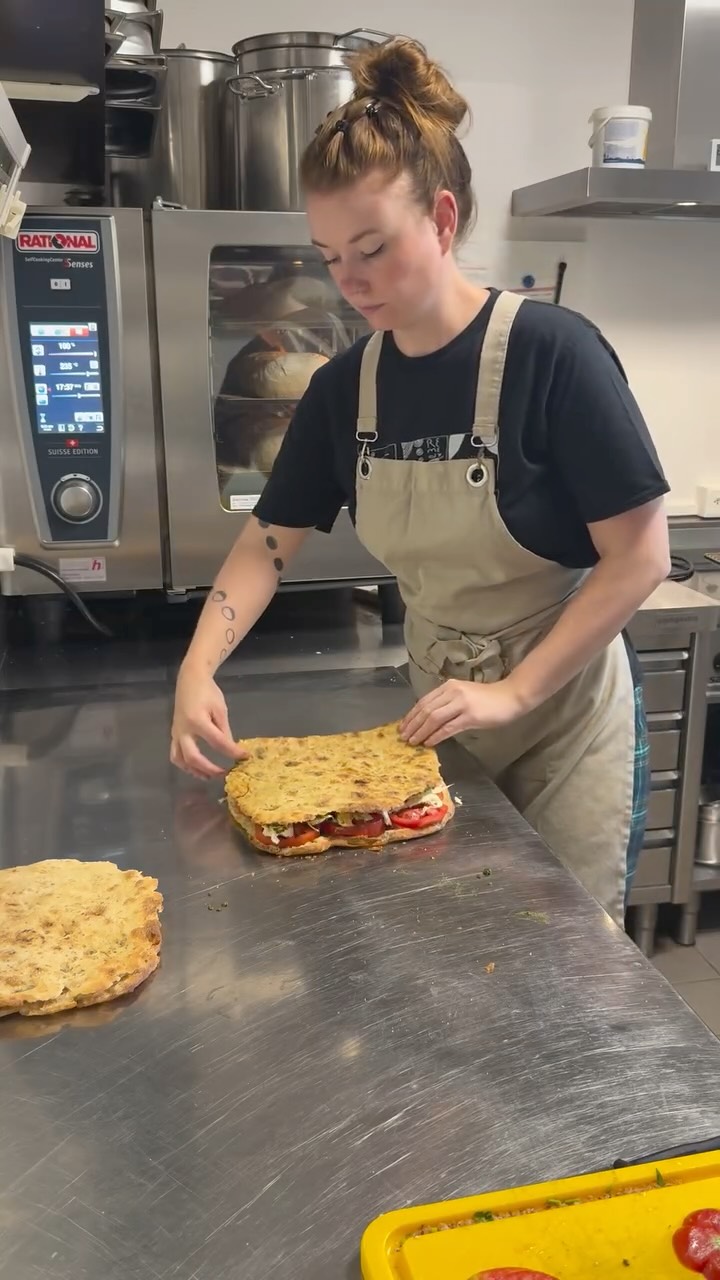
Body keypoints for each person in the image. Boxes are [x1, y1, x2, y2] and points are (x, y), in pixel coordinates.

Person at [171, 37, 671, 926]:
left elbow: (639, 557)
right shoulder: (343, 389)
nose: (350, 282)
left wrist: (514, 692)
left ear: (441, 221)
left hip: (562, 716)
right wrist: (197, 666)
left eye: (372, 247)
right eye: (330, 256)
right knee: (455, 939)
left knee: (563, 954)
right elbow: (267, 543)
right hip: (438, 714)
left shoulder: (553, 354)